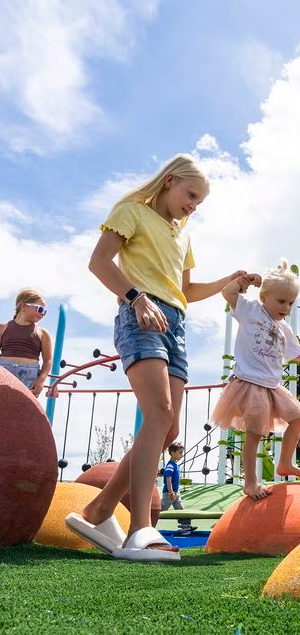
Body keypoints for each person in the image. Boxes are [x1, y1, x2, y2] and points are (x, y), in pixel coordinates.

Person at [65, 154, 248, 562]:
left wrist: (229, 281)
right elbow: (98, 262)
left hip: (176, 323)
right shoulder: (131, 212)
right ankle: (139, 529)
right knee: (159, 412)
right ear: (169, 181)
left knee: (166, 430)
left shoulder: (183, 235)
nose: (193, 205)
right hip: (141, 315)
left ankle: (98, 510)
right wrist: (135, 297)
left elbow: (187, 288)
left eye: (200, 202)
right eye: (191, 195)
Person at [211, 259, 300, 500]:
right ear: (264, 296)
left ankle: (284, 464)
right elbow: (226, 292)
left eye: (290, 303)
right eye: (281, 301)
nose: (286, 308)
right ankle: (250, 483)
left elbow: (298, 354)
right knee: (255, 433)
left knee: (298, 417)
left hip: (271, 386)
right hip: (249, 383)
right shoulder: (250, 309)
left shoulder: (284, 329)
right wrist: (246, 280)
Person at [0, 289, 53, 397]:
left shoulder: (42, 333)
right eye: (40, 309)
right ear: (23, 306)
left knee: (22, 409)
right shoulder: (3, 328)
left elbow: (48, 360)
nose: (42, 314)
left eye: (44, 312)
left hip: (29, 375)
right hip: (3, 371)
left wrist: (41, 380)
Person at [161, 442, 195, 533]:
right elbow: (168, 479)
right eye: (180, 453)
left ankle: (185, 527)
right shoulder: (170, 465)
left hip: (176, 493)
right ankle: (148, 525)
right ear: (172, 453)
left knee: (181, 510)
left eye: (182, 453)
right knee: (161, 510)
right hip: (169, 493)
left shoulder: (174, 465)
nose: (181, 455)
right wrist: (170, 492)